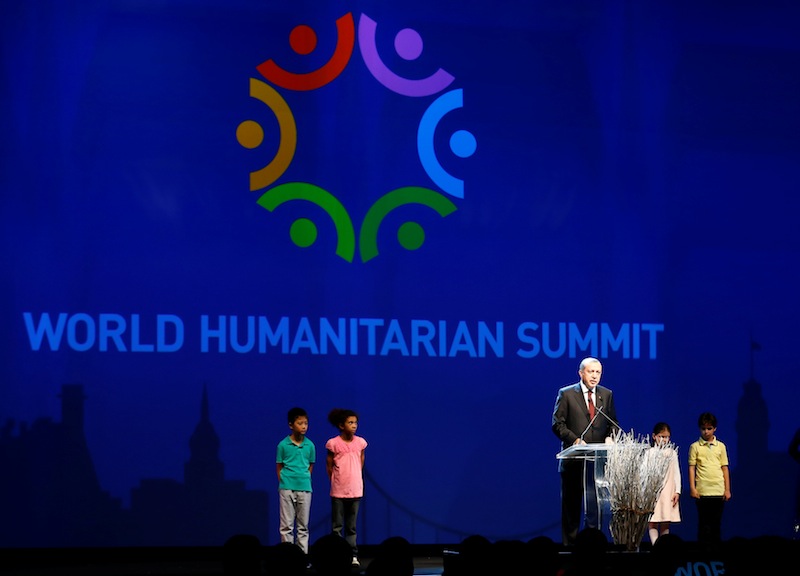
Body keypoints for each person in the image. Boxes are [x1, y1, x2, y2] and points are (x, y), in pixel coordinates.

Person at [552, 357, 620, 546]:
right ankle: (569, 549)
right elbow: (557, 424)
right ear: (581, 373)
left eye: (598, 372)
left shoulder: (606, 395)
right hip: (574, 460)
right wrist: (575, 440)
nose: (595, 376)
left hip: (596, 463)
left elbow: (613, 423)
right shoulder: (566, 394)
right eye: (591, 372)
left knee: (595, 508)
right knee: (571, 509)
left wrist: (610, 437)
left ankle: (592, 547)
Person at [326, 408, 368, 566]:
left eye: (355, 422)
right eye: (350, 422)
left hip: (355, 489)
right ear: (341, 425)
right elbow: (329, 465)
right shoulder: (333, 443)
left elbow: (361, 461)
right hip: (338, 490)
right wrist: (337, 481)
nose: (354, 425)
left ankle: (352, 555)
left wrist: (354, 478)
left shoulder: (360, 443)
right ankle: (336, 555)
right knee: (337, 526)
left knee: (351, 526)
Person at [276, 407, 315, 554]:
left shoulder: (310, 445)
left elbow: (310, 465)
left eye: (306, 423)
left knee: (303, 526)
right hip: (287, 487)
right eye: (300, 423)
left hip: (305, 487)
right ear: (291, 425)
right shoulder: (283, 445)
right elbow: (279, 466)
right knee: (286, 525)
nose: (304, 426)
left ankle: (302, 557)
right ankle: (287, 557)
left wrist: (304, 479)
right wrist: (285, 482)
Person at [687, 412, 731, 544]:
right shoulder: (695, 446)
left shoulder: (721, 446)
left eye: (709, 428)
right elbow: (691, 468)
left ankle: (715, 553)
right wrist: (692, 488)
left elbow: (724, 468)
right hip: (702, 491)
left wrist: (727, 489)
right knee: (704, 525)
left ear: (715, 428)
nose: (706, 432)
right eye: (703, 428)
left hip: (718, 490)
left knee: (716, 525)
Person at [647, 422, 681, 545]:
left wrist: (677, 491)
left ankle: (664, 546)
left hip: (668, 490)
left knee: (666, 518)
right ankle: (655, 545)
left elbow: (677, 473)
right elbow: (643, 471)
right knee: (653, 519)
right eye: (661, 436)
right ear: (654, 436)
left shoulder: (672, 453)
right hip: (653, 491)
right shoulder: (649, 453)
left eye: (666, 437)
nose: (663, 440)